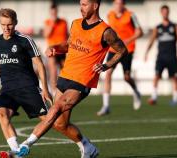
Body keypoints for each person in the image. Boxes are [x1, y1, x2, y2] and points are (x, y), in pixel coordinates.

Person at [15, 0, 128, 157]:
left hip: (83, 80)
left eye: (85, 4)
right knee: (59, 124)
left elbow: (122, 50)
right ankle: (87, 147)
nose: (81, 7)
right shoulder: (75, 24)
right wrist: (55, 48)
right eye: (80, 4)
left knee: (55, 109)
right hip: (66, 75)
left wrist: (106, 65)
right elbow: (69, 44)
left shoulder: (105, 31)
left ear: (95, 6)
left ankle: (25, 145)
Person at [0, 8, 99, 158]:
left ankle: (85, 144)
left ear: (16, 23)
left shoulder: (25, 40)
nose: (6, 28)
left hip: (28, 88)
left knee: (55, 122)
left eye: (10, 24)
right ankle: (16, 152)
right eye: (3, 25)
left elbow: (39, 64)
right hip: (8, 89)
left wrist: (44, 89)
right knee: (1, 114)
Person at [97, 0, 143, 116]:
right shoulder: (110, 15)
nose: (118, 5)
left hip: (127, 50)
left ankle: (136, 92)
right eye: (116, 3)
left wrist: (128, 40)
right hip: (114, 50)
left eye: (120, 3)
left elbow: (140, 32)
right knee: (107, 73)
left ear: (124, 4)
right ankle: (106, 106)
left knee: (127, 77)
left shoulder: (131, 15)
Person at [145, 5, 177, 106]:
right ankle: (154, 97)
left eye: (166, 12)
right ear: (161, 13)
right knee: (156, 76)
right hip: (161, 57)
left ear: (168, 12)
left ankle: (175, 99)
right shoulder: (157, 28)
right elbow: (152, 41)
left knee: (175, 77)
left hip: (172, 57)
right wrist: (146, 52)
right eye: (163, 12)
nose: (165, 13)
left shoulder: (175, 26)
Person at [43, 3, 68, 95]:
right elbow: (46, 34)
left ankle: (64, 89)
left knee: (65, 70)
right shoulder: (47, 22)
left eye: (55, 12)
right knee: (53, 71)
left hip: (62, 50)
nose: (54, 14)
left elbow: (67, 35)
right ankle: (53, 92)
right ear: (50, 12)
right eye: (52, 12)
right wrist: (52, 23)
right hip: (52, 50)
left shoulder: (63, 22)